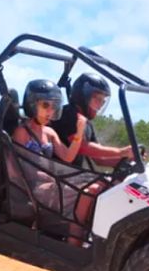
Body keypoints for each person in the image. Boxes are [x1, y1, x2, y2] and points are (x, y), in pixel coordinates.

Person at [11, 79, 91, 245]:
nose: (50, 111)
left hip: (51, 185)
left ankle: (80, 240)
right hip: (33, 189)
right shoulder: (22, 132)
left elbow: (68, 156)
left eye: (53, 106)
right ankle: (73, 246)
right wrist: (27, 191)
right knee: (85, 194)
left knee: (95, 187)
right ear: (33, 104)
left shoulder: (49, 132)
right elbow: (13, 167)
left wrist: (79, 132)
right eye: (45, 106)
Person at [52, 73, 133, 168]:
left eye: (103, 101)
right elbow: (82, 147)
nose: (101, 104)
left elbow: (99, 159)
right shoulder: (68, 114)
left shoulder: (87, 124)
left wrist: (128, 160)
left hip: (73, 176)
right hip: (57, 173)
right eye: (98, 98)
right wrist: (120, 152)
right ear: (83, 96)